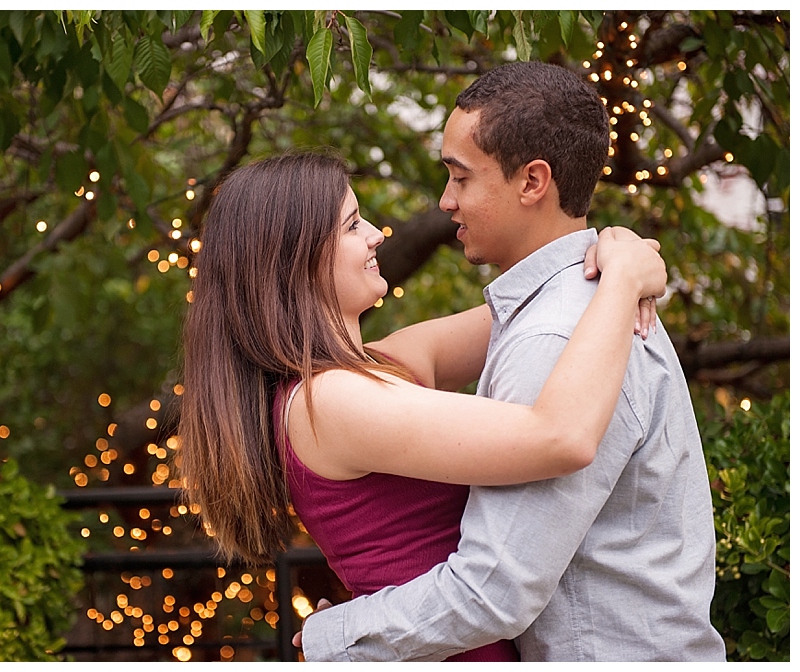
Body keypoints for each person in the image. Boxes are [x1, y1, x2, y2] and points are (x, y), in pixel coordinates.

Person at [297, 62, 726, 661]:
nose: (445, 201)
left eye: (460, 177)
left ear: (532, 182)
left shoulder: (556, 333)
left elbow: (497, 587)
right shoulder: (574, 306)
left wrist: (329, 637)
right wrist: (625, 257)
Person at [178, 146, 668, 661]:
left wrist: (613, 246)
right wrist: (623, 280)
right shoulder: (332, 401)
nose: (375, 235)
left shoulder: (379, 367)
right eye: (351, 226)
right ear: (293, 260)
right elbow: (561, 437)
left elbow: (540, 305)